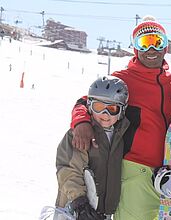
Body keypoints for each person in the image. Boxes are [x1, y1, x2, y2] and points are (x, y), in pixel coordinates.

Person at [69, 16, 171, 220]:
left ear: (166, 47)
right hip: (135, 171)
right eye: (144, 43)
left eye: (157, 42)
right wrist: (81, 122)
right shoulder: (123, 79)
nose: (151, 49)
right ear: (136, 48)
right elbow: (86, 102)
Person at [56, 76, 130, 220]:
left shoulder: (120, 135)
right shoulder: (80, 135)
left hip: (102, 212)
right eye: (99, 107)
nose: (105, 115)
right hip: (74, 210)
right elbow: (68, 169)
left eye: (112, 109)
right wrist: (79, 203)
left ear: (122, 110)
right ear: (89, 106)